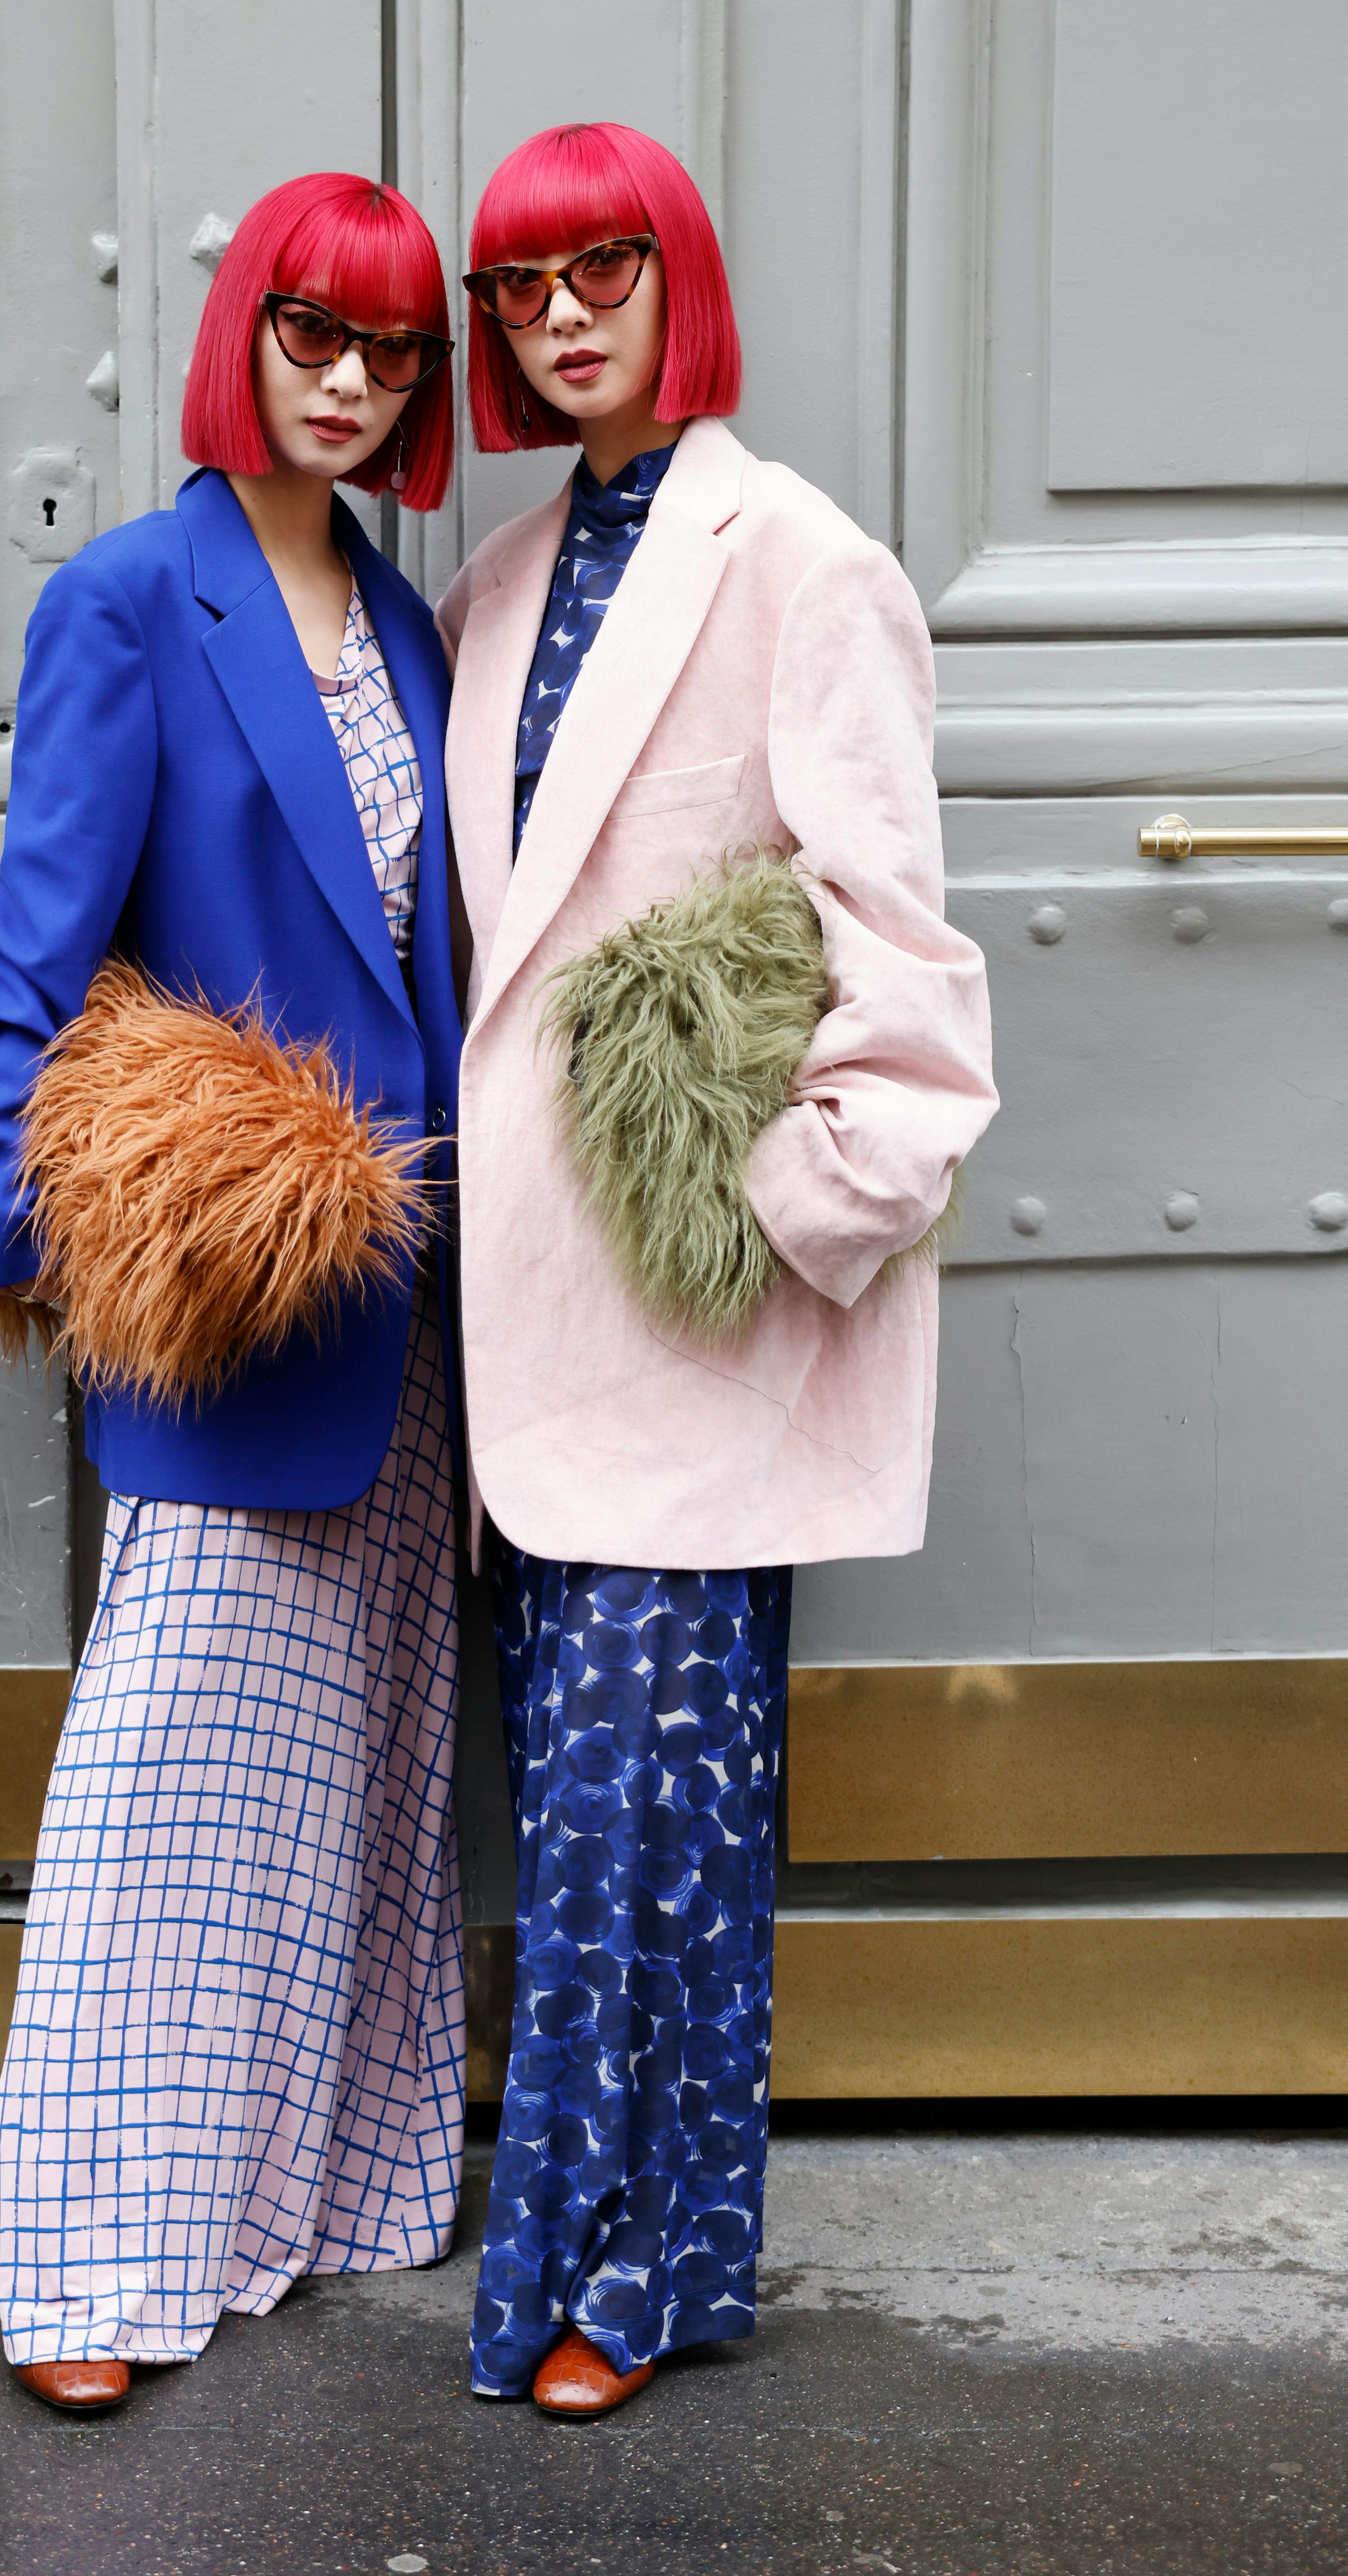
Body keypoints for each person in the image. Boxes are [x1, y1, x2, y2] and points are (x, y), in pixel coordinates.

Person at [437, 122, 997, 2417]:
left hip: (700, 1316)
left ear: (679, 281)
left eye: (604, 268)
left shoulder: (807, 562)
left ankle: (636, 2277)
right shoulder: (488, 581)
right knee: (584, 1815)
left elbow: (906, 974)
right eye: (521, 285)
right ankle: (613, 2252)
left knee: (646, 1829)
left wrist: (777, 1210)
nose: (563, 314)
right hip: (523, 1327)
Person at [0, 172, 465, 2411]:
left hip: (409, 1322)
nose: (345, 380)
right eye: (311, 335)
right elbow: (34, 959)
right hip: (237, 1307)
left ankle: (314, 2193)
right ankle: (93, 2261)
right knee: (171, 1793)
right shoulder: (129, 602)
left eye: (392, 353)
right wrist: (22, 1244)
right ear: (240, 333)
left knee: (362, 1780)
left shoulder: (410, 621)